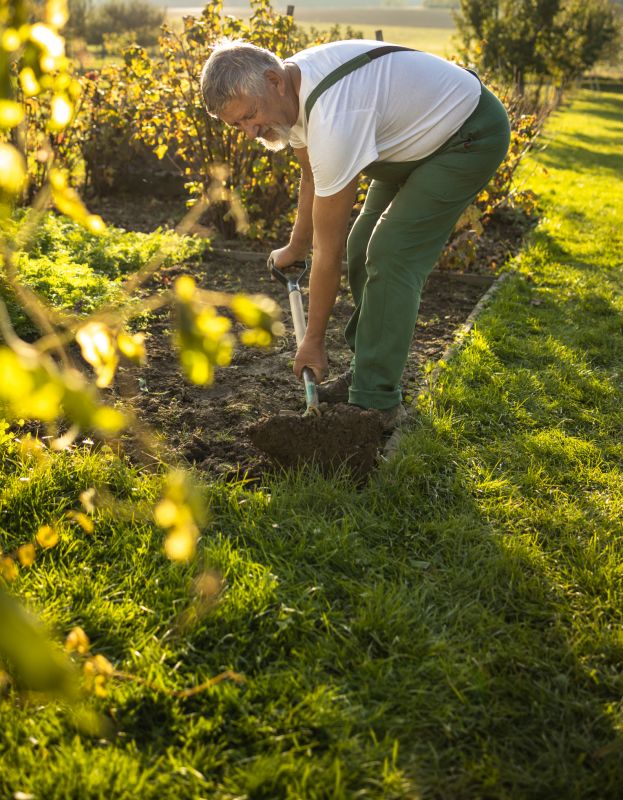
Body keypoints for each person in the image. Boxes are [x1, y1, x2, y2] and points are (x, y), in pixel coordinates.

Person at [201, 38, 511, 431]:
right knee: (361, 244)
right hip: (412, 139)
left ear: (273, 80)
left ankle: (376, 402)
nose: (250, 132)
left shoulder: (335, 116)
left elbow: (326, 253)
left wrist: (312, 341)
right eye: (238, 124)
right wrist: (295, 248)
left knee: (390, 253)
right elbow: (312, 175)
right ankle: (367, 369)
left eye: (250, 115)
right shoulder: (290, 94)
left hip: (467, 135)